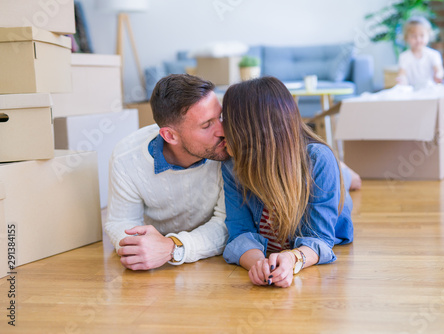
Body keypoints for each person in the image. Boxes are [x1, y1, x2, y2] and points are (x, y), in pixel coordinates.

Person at [220, 76, 354, 288]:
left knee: (346, 176)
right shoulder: (231, 165)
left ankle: (345, 171)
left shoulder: (318, 160)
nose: (220, 129)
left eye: (225, 120)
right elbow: (239, 232)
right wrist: (259, 264)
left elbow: (320, 238)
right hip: (287, 160)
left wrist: (293, 259)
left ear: (250, 132)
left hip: (317, 170)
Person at [105, 74, 229, 270]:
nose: (223, 131)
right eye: (207, 125)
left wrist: (173, 248)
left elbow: (226, 224)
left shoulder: (226, 150)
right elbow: (122, 221)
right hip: (158, 266)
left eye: (220, 117)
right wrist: (143, 248)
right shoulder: (126, 158)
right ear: (170, 136)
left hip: (211, 264)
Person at [396, 16, 444, 89]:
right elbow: (402, 74)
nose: (418, 39)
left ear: (428, 35)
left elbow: (439, 70)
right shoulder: (404, 56)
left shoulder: (434, 54)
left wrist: (438, 75)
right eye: (413, 36)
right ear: (406, 38)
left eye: (422, 35)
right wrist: (402, 80)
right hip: (412, 92)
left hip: (430, 89)